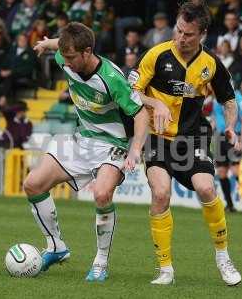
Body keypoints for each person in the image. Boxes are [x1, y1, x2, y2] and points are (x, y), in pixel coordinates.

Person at [25, 22, 149, 282]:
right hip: (82, 139)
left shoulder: (112, 78)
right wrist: (46, 43)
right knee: (33, 184)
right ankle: (56, 246)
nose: (65, 63)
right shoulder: (66, 56)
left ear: (87, 52)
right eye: (64, 56)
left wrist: (135, 150)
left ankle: (100, 263)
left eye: (70, 57)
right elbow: (58, 47)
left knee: (102, 194)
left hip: (112, 144)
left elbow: (140, 114)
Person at [130, 0, 241, 286]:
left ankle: (223, 257)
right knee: (160, 194)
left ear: (202, 33)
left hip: (193, 138)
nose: (180, 37)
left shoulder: (211, 64)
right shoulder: (156, 55)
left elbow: (228, 99)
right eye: (178, 30)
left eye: (188, 34)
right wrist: (156, 102)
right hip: (157, 138)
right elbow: (131, 91)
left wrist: (230, 126)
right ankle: (165, 268)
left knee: (206, 188)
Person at [212, 90, 242, 213]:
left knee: (236, 172)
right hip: (220, 138)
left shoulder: (239, 99)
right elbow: (215, 118)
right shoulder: (217, 98)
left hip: (234, 137)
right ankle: (230, 205)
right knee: (221, 172)